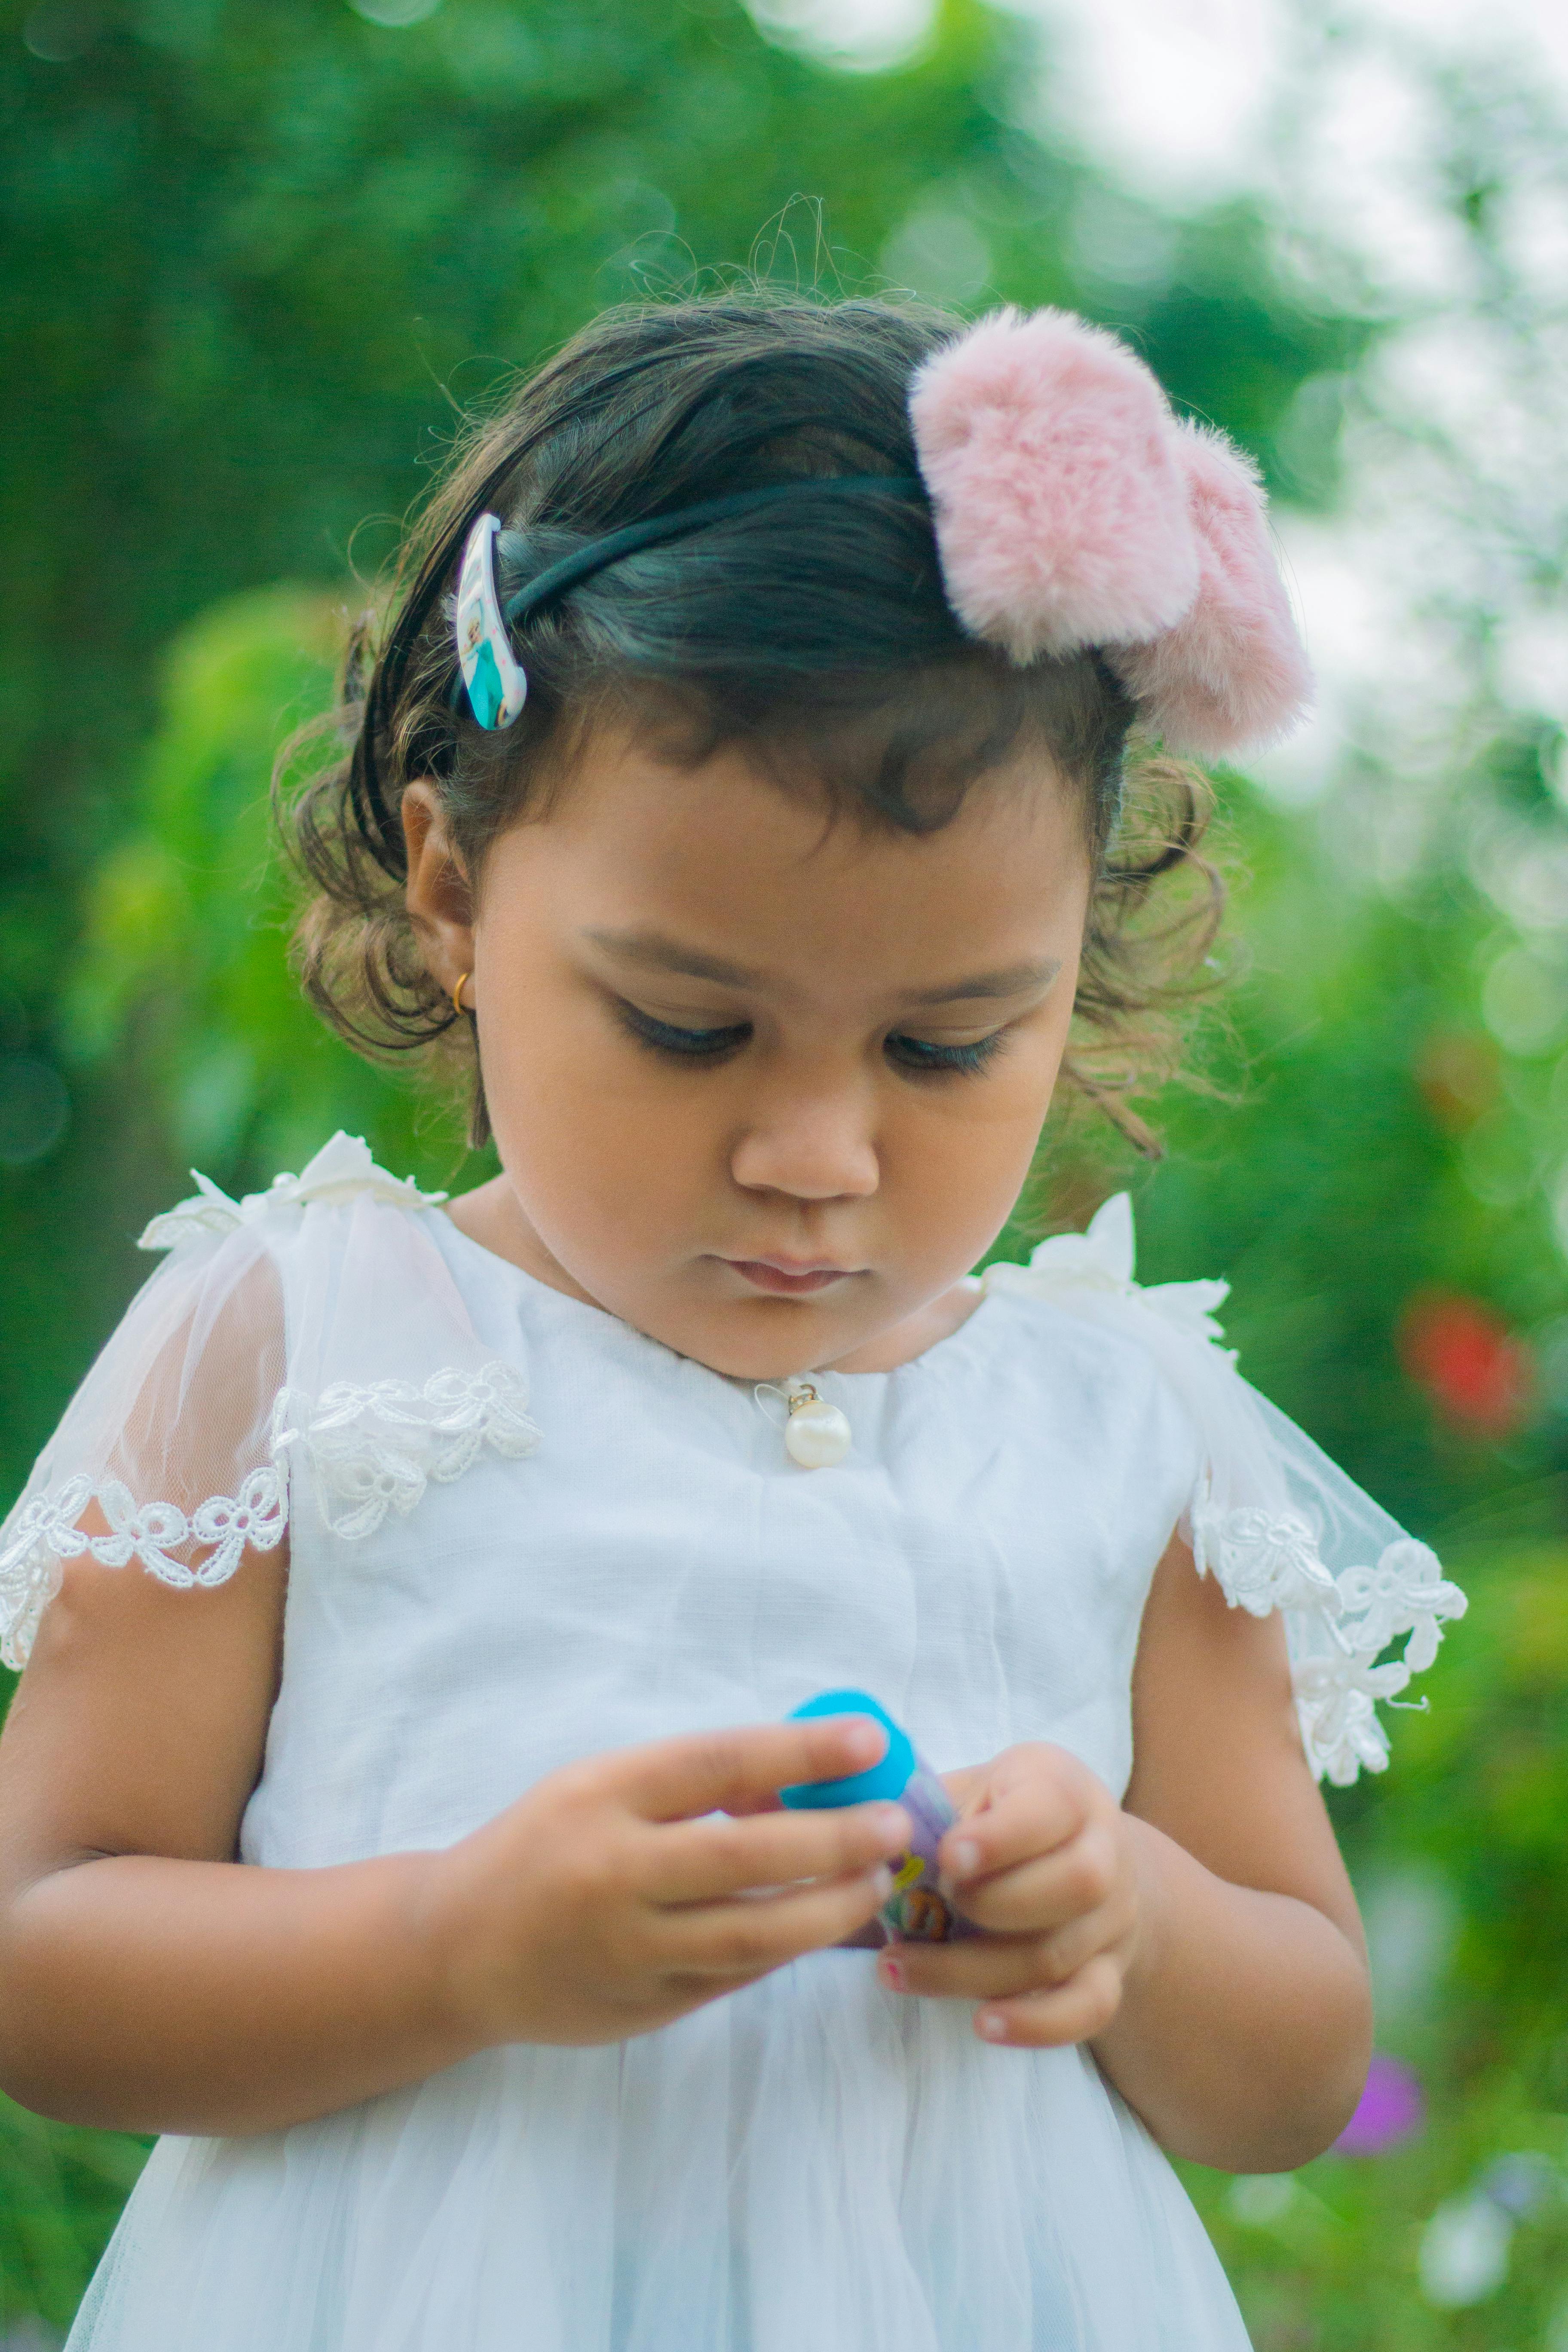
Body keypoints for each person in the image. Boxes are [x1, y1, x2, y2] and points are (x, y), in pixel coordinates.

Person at [0, 294, 1466, 2352]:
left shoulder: (1127, 1431)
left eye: (949, 1047)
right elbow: (42, 1963)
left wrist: (1127, 1919)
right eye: (692, 1025)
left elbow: (1298, 2062)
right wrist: (445, 1947)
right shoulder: (308, 1343)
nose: (814, 1153)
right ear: (451, 882)